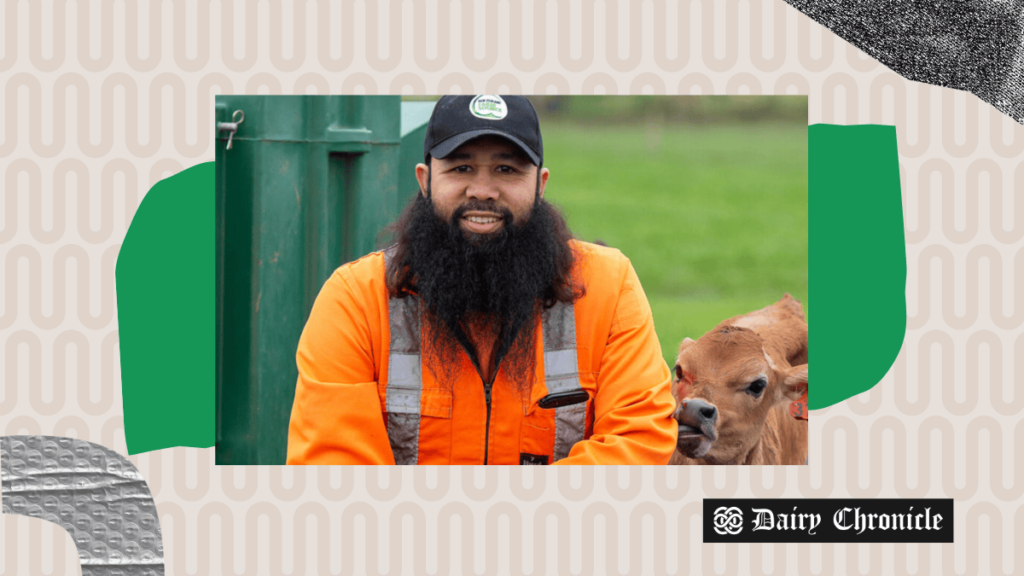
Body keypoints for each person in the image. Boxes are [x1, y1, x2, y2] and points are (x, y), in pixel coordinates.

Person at [286, 95, 678, 464]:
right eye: (461, 168)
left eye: (506, 169)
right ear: (425, 180)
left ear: (540, 185)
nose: (483, 191)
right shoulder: (356, 299)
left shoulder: (608, 286)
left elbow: (638, 441)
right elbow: (333, 465)